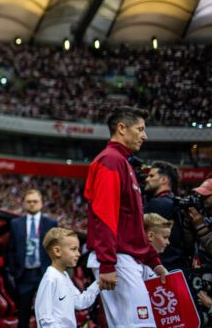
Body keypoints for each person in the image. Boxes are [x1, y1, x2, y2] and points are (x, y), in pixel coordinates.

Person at [84, 106, 166, 328]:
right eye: (140, 129)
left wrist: (152, 259)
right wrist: (108, 264)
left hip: (124, 258)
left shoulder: (121, 161)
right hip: (118, 260)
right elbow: (105, 216)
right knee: (138, 325)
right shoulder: (111, 161)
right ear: (122, 128)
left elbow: (132, 223)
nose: (144, 136)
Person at [6, 189, 57, 328]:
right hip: (24, 274)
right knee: (23, 314)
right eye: (29, 202)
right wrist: (14, 271)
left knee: (47, 313)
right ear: (24, 204)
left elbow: (55, 250)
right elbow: (11, 249)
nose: (32, 204)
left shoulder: (50, 224)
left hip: (44, 273)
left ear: (41, 203)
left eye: (35, 201)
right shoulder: (16, 223)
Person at [34, 227, 99, 328]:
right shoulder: (50, 278)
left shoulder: (64, 276)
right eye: (73, 249)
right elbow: (44, 317)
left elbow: (80, 302)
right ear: (57, 251)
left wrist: (99, 283)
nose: (78, 254)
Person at [143, 161, 188, 272]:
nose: (147, 179)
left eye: (151, 176)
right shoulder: (176, 202)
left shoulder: (158, 204)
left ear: (164, 180)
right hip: (177, 264)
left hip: (161, 265)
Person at [141, 213, 172, 279]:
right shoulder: (137, 264)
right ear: (150, 236)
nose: (168, 242)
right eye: (165, 237)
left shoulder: (156, 265)